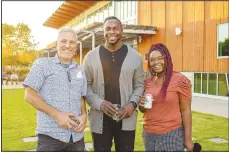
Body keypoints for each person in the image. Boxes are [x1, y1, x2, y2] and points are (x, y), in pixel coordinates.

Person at [83, 16, 144, 152]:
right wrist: (100, 103)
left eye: (115, 28)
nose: (112, 32)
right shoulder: (90, 57)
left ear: (122, 30)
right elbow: (85, 86)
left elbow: (139, 85)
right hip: (100, 120)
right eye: (108, 29)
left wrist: (132, 104)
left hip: (126, 118)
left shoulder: (135, 57)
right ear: (103, 32)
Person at [23, 28, 87, 151]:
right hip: (50, 137)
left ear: (76, 47)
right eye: (64, 41)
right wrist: (57, 114)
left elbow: (80, 97)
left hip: (77, 137)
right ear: (56, 44)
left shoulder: (80, 70)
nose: (67, 45)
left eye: (72, 42)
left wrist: (84, 116)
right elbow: (29, 95)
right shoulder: (42, 64)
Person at [139, 43, 194, 151]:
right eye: (152, 60)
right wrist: (141, 105)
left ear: (167, 59)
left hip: (171, 134)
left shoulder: (180, 80)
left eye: (160, 58)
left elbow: (186, 110)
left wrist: (188, 140)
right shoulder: (148, 82)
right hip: (148, 134)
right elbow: (143, 110)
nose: (156, 62)